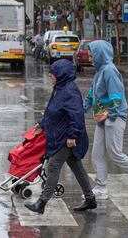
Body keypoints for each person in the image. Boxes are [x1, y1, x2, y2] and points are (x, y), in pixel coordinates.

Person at [84, 40, 128, 200]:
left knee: (115, 153)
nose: (90, 59)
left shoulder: (109, 71)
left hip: (114, 118)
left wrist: (104, 113)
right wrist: (82, 107)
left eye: (92, 56)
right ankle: (101, 188)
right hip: (103, 117)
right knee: (97, 154)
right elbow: (92, 94)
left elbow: (116, 99)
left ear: (100, 55)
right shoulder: (99, 71)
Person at [25, 59, 96, 214]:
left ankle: (41, 203)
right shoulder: (59, 88)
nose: (51, 78)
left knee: (54, 166)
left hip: (67, 137)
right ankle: (90, 199)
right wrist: (42, 124)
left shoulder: (69, 91)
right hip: (61, 135)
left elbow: (76, 116)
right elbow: (53, 111)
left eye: (52, 76)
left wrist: (72, 137)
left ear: (61, 75)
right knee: (77, 167)